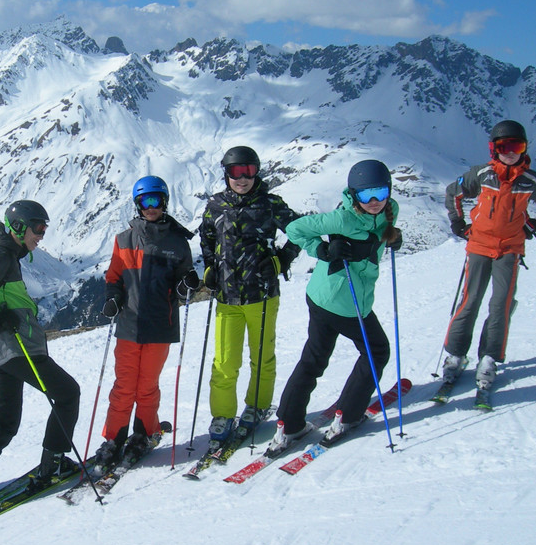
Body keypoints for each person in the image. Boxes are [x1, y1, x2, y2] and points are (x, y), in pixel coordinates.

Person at [266, 159, 403, 456]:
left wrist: (392, 236)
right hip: (347, 304)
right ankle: (349, 415)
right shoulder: (343, 220)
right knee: (377, 351)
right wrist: (323, 249)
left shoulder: (389, 211)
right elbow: (295, 228)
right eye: (366, 195)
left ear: (389, 191)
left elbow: (380, 231)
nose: (375, 201)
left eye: (380, 192)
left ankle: (289, 425)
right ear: (353, 195)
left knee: (314, 358)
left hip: (321, 297)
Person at [0, 200, 81, 507]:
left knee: (6, 420)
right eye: (38, 228)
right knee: (67, 394)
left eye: (44, 229)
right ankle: (53, 463)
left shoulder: (3, 253)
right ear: (19, 227)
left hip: (0, 350)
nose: (42, 235)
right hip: (17, 348)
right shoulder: (0, 256)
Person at [442, 119, 536, 389]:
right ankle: (455, 354)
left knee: (501, 303)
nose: (510, 152)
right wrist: (458, 223)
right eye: (503, 147)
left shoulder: (531, 180)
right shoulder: (483, 174)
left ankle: (489, 357)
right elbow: (454, 192)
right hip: (479, 245)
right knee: (470, 300)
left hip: (510, 248)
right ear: (493, 149)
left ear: (525, 148)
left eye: (517, 146)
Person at [198, 146, 301, 447]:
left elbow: (300, 231)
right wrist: (210, 267)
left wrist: (282, 260)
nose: (242, 178)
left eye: (249, 171)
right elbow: (206, 237)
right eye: (235, 172)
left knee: (262, 357)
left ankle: (257, 405)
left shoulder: (270, 204)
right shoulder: (215, 205)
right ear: (226, 174)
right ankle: (223, 414)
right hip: (227, 298)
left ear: (257, 172)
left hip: (263, 295)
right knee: (225, 362)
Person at [95, 176, 197, 471]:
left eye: (155, 200)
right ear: (137, 205)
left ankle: (144, 434)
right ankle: (114, 438)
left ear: (164, 202)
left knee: (147, 387)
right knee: (123, 387)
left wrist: (187, 284)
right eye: (144, 201)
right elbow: (114, 277)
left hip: (160, 327)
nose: (150, 207)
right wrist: (113, 298)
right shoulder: (123, 240)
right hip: (129, 325)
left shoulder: (178, 243)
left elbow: (183, 286)